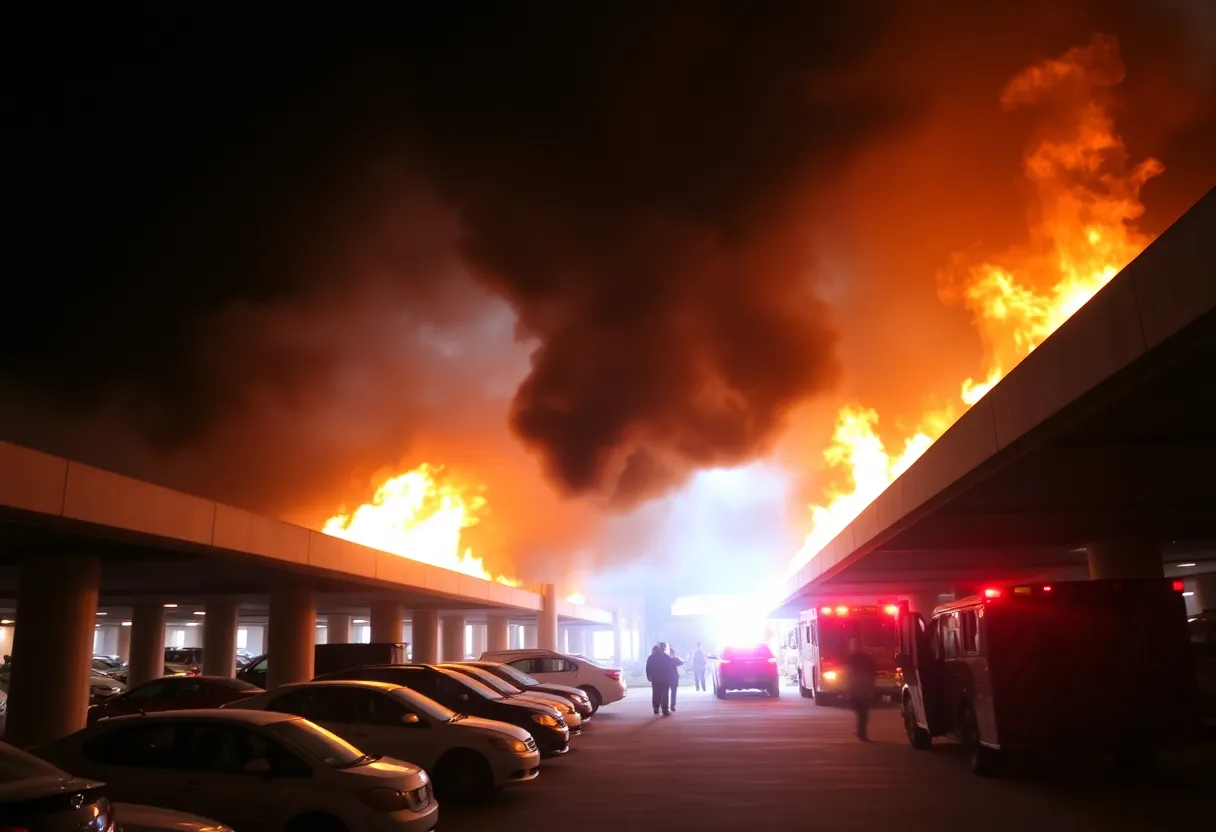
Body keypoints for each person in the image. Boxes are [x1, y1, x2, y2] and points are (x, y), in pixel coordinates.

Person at [844, 637, 877, 741]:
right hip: (865, 688)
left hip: (856, 688)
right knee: (863, 712)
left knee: (860, 711)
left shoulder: (850, 658)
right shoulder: (868, 658)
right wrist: (871, 686)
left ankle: (861, 732)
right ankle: (861, 732)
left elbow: (848, 673)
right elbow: (872, 673)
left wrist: (848, 687)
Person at [646, 644, 670, 715]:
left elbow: (648, 667)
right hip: (665, 678)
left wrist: (649, 676)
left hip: (655, 678)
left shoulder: (651, 657)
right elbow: (670, 667)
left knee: (656, 693)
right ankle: (665, 709)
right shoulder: (666, 657)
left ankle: (656, 707)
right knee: (665, 694)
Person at [668, 645, 684, 711]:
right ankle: (672, 705)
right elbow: (681, 662)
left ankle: (667, 705)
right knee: (673, 692)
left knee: (666, 692)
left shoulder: (666, 659)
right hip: (673, 677)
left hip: (668, 677)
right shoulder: (673, 660)